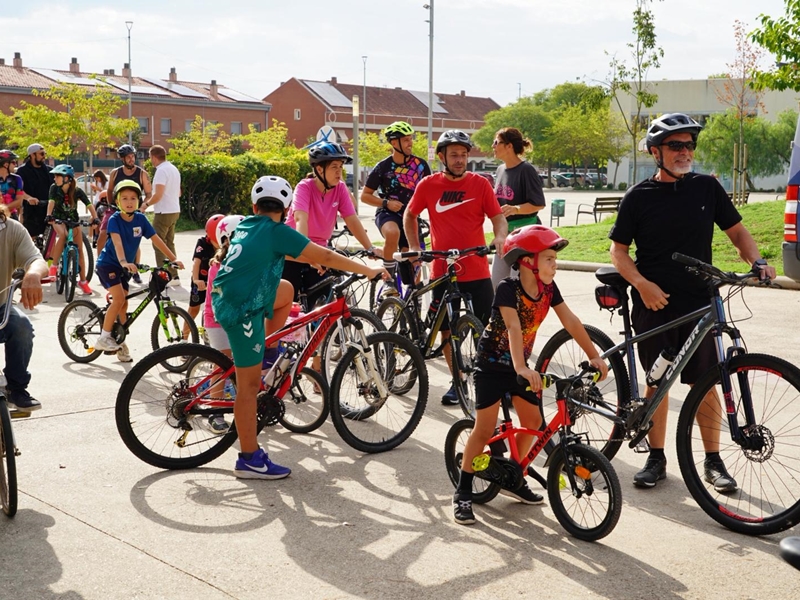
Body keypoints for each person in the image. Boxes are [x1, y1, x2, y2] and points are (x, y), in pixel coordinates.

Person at [608, 113, 777, 491]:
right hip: (655, 303)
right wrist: (642, 285)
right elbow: (618, 252)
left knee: (706, 381)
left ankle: (713, 461)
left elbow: (736, 231)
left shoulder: (707, 188)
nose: (685, 152)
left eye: (689, 145)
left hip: (701, 301)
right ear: (656, 152)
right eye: (675, 146)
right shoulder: (638, 197)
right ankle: (656, 457)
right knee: (658, 382)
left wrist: (758, 261)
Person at [211, 175, 387, 480]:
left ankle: (266, 348)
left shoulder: (249, 225)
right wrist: (368, 269)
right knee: (249, 388)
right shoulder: (277, 230)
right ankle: (249, 459)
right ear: (287, 207)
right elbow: (325, 253)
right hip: (241, 308)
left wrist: (309, 259)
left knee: (286, 289)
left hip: (229, 295)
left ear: (254, 206)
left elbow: (280, 251)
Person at [452, 225, 608, 525]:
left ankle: (514, 473)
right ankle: (463, 491)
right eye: (549, 258)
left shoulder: (550, 289)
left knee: (534, 423)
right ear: (527, 261)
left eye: (554, 258)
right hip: (493, 366)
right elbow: (512, 327)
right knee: (484, 430)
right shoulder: (507, 289)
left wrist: (593, 355)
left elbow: (571, 322)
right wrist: (522, 367)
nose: (555, 264)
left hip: (519, 364)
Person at [403, 129, 508, 405]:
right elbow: (410, 214)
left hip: (475, 268)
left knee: (489, 328)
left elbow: (498, 217)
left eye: (463, 154)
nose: (460, 160)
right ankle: (457, 380)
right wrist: (416, 248)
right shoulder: (428, 185)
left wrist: (499, 236)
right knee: (447, 330)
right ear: (442, 157)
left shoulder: (480, 184)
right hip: (442, 270)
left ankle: (495, 381)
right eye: (454, 155)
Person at [93, 180, 184, 360]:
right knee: (118, 299)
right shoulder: (115, 219)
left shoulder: (141, 219)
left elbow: (157, 239)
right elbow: (117, 243)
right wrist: (124, 261)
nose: (129, 202)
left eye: (133, 198)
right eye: (124, 198)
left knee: (123, 304)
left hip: (125, 267)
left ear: (138, 201)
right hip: (109, 264)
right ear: (118, 201)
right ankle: (103, 338)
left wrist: (174, 259)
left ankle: (119, 341)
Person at [284, 142, 381, 308]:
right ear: (320, 169)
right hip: (294, 251)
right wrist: (306, 252)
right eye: (334, 167)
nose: (339, 172)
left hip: (320, 252)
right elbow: (301, 220)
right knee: (289, 310)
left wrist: (370, 248)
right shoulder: (304, 187)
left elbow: (352, 220)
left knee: (322, 310)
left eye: (341, 166)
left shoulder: (340, 188)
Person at [360, 121, 431, 291]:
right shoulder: (383, 167)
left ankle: (412, 300)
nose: (410, 143)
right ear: (394, 142)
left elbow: (431, 193)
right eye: (406, 139)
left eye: (410, 139)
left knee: (414, 263)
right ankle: (388, 281)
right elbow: (365, 196)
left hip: (411, 217)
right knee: (393, 232)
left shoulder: (421, 166)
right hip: (387, 214)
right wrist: (386, 203)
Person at [0, 203, 49, 412]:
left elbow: (36, 260)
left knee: (21, 326)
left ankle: (16, 388)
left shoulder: (11, 229)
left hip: (0, 307)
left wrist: (33, 274)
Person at [490, 127, 546, 289]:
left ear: (509, 146)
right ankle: (500, 315)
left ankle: (520, 315)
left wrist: (516, 209)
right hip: (505, 236)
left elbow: (538, 203)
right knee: (497, 285)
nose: (493, 146)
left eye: (496, 142)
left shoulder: (526, 170)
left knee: (519, 286)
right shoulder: (500, 170)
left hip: (525, 237)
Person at [203, 213, 244, 432]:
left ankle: (241, 406)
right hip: (218, 320)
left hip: (237, 320)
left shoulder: (245, 262)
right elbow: (222, 296)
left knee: (241, 365)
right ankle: (215, 411)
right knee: (221, 365)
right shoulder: (217, 266)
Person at [46, 164, 99, 296]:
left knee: (79, 250)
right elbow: (51, 202)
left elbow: (89, 204)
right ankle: (54, 265)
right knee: (63, 235)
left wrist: (95, 217)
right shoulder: (54, 188)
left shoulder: (77, 191)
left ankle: (82, 281)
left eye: (57, 176)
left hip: (73, 220)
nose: (55, 178)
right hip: (58, 219)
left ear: (67, 179)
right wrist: (49, 215)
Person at [102, 145, 151, 283]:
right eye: (128, 157)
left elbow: (149, 194)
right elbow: (110, 190)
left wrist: (143, 206)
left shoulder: (141, 174)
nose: (131, 159)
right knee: (103, 233)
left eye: (133, 156)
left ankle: (135, 271)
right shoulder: (115, 173)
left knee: (134, 241)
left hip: (134, 211)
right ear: (122, 159)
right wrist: (110, 206)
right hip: (116, 210)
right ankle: (104, 265)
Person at [142, 145, 181, 284]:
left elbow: (158, 195)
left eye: (150, 157)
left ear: (153, 156)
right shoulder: (173, 169)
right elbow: (179, 193)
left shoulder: (161, 171)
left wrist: (145, 205)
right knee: (169, 243)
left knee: (158, 243)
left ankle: (163, 277)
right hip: (174, 210)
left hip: (163, 211)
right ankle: (174, 276)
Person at [185, 214, 224, 339]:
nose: (219, 244)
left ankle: (210, 334)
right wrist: (196, 280)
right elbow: (196, 262)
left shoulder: (226, 246)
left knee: (214, 308)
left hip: (216, 282)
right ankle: (184, 339)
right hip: (200, 281)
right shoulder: (202, 242)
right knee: (193, 309)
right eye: (216, 240)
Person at [17, 143, 52, 241]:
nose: (44, 156)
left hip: (47, 210)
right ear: (32, 155)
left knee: (51, 240)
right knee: (31, 240)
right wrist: (28, 198)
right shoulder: (22, 171)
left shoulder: (49, 171)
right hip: (31, 212)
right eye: (41, 154)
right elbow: (19, 190)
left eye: (44, 154)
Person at [0, 150, 25, 221]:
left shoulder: (17, 179)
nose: (16, 165)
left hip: (12, 217)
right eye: (13, 162)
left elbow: (19, 201)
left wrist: (2, 211)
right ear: (6, 164)